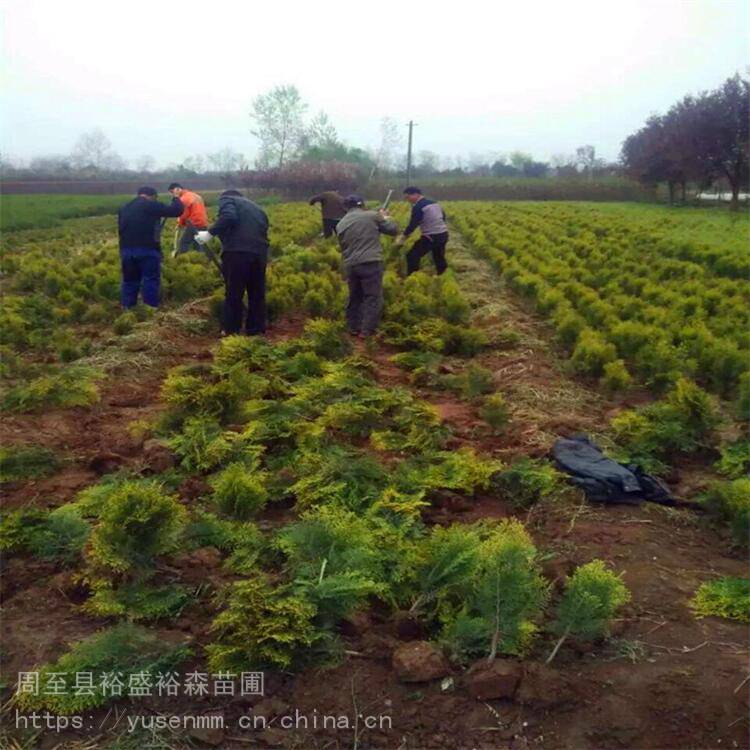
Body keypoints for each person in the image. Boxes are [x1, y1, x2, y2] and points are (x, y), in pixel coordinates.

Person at [195, 190, 269, 336]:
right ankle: (256, 330)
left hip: (237, 252)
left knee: (234, 291)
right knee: (257, 292)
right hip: (260, 252)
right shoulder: (257, 208)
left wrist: (209, 233)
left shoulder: (227, 199)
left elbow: (229, 217)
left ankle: (230, 329)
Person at [335, 194, 398, 338]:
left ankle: (353, 327)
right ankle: (367, 331)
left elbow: (343, 246)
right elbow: (393, 230)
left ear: (346, 207)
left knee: (354, 296)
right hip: (370, 262)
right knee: (372, 297)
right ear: (362, 205)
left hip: (351, 264)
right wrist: (386, 217)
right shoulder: (372, 215)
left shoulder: (340, 224)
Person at [117, 186, 183, 308]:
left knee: (129, 281)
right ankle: (149, 310)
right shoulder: (150, 205)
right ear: (151, 196)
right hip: (147, 249)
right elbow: (176, 211)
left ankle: (128, 310)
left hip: (126, 250)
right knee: (150, 280)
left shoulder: (125, 207)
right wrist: (176, 197)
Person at [396, 186, 449, 275]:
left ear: (416, 194)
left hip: (431, 236)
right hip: (443, 234)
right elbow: (443, 217)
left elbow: (413, 224)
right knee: (439, 256)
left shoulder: (418, 206)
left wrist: (403, 237)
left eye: (408, 197)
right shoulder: (434, 203)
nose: (407, 200)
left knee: (412, 256)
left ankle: (413, 277)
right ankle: (443, 275)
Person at [168, 182, 209, 257]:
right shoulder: (196, 195)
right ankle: (202, 260)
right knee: (199, 244)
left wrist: (180, 224)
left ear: (177, 189)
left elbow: (183, 214)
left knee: (184, 243)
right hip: (203, 222)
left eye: (172, 192)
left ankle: (182, 258)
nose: (172, 194)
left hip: (193, 223)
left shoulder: (184, 199)